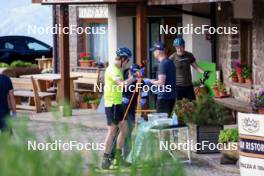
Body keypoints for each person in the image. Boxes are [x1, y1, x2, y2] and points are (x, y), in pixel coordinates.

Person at [102, 47, 134, 169]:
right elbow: (122, 85)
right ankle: (105, 159)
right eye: (127, 61)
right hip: (112, 105)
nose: (127, 63)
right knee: (112, 131)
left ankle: (118, 158)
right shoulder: (113, 70)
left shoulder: (118, 69)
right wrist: (133, 78)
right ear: (122, 59)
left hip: (118, 103)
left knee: (124, 129)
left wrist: (131, 77)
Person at [145, 42, 177, 117]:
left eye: (154, 51)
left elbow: (161, 83)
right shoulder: (170, 62)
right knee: (167, 121)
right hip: (171, 97)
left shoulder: (162, 64)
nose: (153, 53)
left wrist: (149, 81)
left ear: (158, 52)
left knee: (162, 123)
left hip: (163, 98)